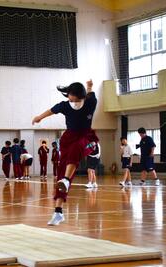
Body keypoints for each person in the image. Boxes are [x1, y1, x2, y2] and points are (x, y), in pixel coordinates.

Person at [32, 79, 98, 226]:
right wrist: (38, 118)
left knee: (76, 150)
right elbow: (51, 111)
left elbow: (90, 92)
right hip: (68, 137)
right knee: (61, 174)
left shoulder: (90, 102)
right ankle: (58, 212)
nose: (68, 96)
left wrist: (89, 86)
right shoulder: (65, 105)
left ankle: (67, 181)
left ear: (77, 95)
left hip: (85, 137)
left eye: (71, 94)